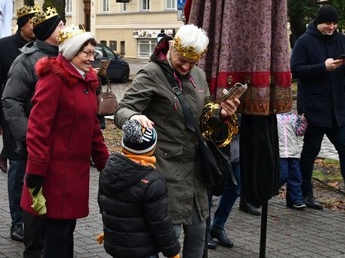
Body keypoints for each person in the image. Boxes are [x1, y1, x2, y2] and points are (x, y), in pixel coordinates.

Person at [183, 0, 295, 228]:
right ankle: (255, 188)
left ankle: (213, 195)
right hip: (262, 28)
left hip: (226, 32)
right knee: (258, 124)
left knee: (214, 114)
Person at [114, 25, 238, 258]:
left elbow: (202, 120)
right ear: (172, 47)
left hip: (195, 173)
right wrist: (134, 117)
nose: (185, 66)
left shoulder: (198, 75)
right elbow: (122, 111)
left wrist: (221, 115)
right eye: (181, 59)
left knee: (198, 232)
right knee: (167, 237)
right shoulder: (151, 73)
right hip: (163, 171)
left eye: (192, 62)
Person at [22, 26, 110, 257]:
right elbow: (38, 127)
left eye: (93, 52)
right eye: (87, 53)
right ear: (71, 53)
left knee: (66, 229)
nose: (92, 58)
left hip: (75, 173)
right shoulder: (53, 79)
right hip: (54, 172)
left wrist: (105, 164)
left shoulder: (87, 81)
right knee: (57, 233)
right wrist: (37, 169)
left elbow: (93, 128)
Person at [291, 4, 345, 215]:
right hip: (315, 108)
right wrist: (322, 67)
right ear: (319, 22)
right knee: (310, 152)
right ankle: (305, 192)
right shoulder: (304, 41)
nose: (332, 27)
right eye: (328, 23)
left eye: (335, 23)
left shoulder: (342, 39)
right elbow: (295, 70)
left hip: (339, 109)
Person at [2, 6, 63, 258]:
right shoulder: (26, 60)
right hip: (35, 145)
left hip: (60, 145)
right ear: (49, 31)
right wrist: (29, 137)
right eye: (60, 25)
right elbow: (11, 100)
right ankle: (34, 248)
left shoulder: (67, 57)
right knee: (35, 202)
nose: (63, 29)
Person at [0, 4, 39, 242]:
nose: (36, 27)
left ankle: (35, 218)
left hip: (38, 118)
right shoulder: (3, 46)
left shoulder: (44, 47)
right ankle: (17, 221)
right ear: (22, 25)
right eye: (32, 23)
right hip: (13, 118)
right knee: (17, 171)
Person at [98, 119, 181, 258]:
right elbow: (160, 223)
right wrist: (173, 252)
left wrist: (109, 231)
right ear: (151, 149)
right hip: (143, 250)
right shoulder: (153, 182)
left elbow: (106, 207)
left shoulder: (108, 171)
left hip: (117, 246)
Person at [209, 117, 242, 248]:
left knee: (235, 186)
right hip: (215, 144)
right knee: (209, 187)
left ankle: (218, 225)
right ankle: (204, 230)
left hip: (235, 145)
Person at [277, 110, 308, 210]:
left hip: (293, 153)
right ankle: (269, 189)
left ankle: (296, 199)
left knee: (295, 177)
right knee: (283, 174)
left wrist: (303, 121)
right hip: (281, 153)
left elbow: (299, 132)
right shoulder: (274, 116)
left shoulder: (294, 116)